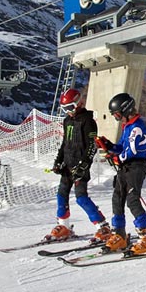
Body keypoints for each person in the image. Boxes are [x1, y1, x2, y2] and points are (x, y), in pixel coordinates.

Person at [94, 92, 146, 255]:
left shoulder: (137, 127)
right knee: (117, 197)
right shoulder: (128, 126)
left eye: (117, 115)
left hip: (136, 166)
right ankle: (119, 234)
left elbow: (131, 151)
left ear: (125, 110)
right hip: (126, 167)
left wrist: (117, 157)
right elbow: (122, 147)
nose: (117, 119)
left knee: (132, 199)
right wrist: (109, 146)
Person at [45, 88, 111, 243]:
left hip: (80, 166)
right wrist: (58, 161)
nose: (68, 112)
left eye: (70, 108)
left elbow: (92, 146)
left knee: (81, 198)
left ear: (79, 103)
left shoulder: (88, 121)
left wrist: (84, 165)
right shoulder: (67, 121)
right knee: (61, 195)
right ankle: (64, 226)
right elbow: (65, 144)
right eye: (64, 109)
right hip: (67, 165)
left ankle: (103, 226)